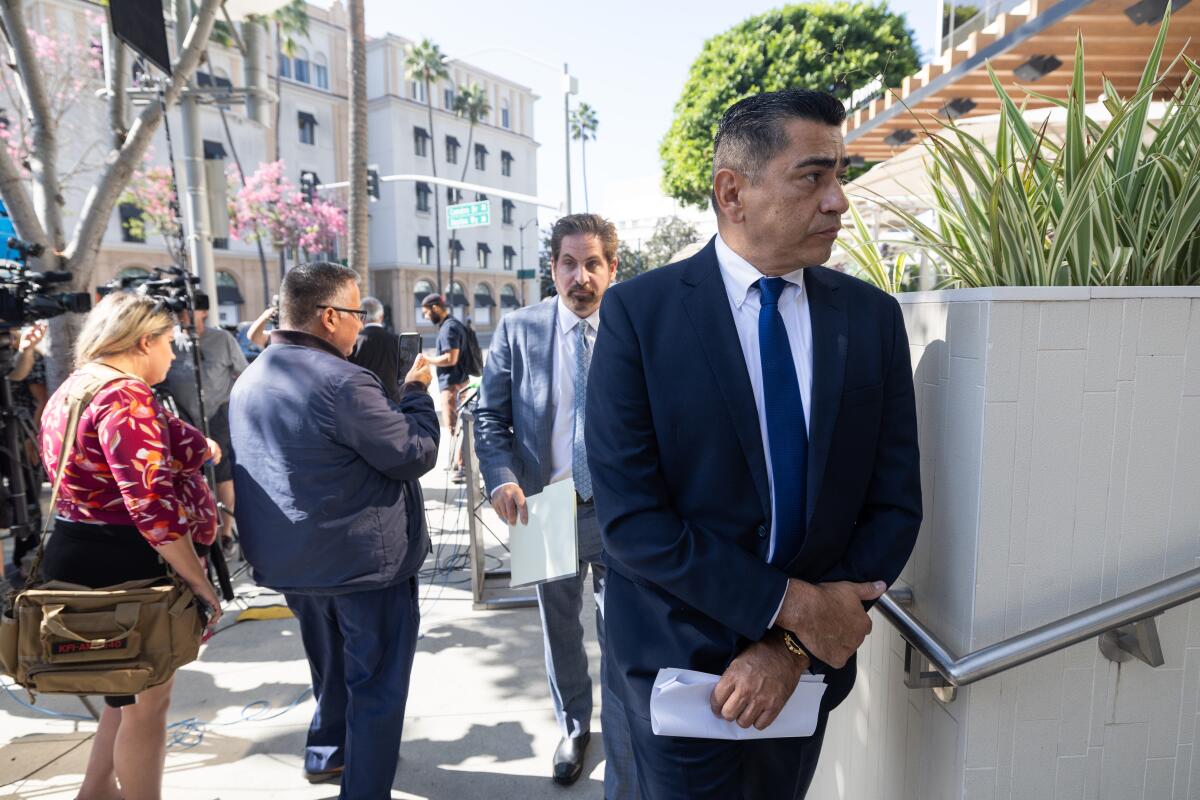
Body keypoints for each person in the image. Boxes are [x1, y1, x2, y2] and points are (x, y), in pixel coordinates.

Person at [586, 89, 923, 799]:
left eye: (840, 176)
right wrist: (793, 609)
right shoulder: (639, 316)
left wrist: (788, 649)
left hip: (803, 678)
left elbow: (893, 506)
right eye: (813, 176)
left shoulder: (870, 321)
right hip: (680, 675)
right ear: (731, 192)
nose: (838, 202)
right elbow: (632, 522)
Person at [230, 261, 439, 797]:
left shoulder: (251, 374)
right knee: (377, 688)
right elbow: (414, 453)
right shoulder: (343, 382)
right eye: (355, 312)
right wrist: (415, 392)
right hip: (363, 567)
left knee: (329, 670)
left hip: (296, 564)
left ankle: (326, 753)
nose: (360, 324)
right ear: (328, 316)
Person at [475, 214, 639, 796]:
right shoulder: (518, 330)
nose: (580, 276)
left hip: (623, 513)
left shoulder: (635, 327)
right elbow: (489, 416)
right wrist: (499, 479)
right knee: (560, 629)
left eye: (593, 262)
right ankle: (574, 727)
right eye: (568, 263)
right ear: (552, 268)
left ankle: (625, 745)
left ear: (612, 268)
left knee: (622, 629)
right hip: (542, 507)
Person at [37, 291, 223, 800]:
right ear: (144, 342)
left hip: (80, 550)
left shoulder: (76, 386)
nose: (173, 354)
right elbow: (153, 512)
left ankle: (96, 792)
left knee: (124, 698)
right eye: (168, 343)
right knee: (148, 704)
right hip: (126, 565)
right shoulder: (126, 397)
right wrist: (200, 583)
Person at [162, 297, 247, 551]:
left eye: (189, 310)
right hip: (182, 416)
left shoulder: (222, 340)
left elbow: (243, 372)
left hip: (218, 414)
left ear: (204, 312)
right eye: (180, 311)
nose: (183, 316)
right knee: (188, 475)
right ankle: (197, 533)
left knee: (223, 474)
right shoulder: (170, 341)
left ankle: (227, 532)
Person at [420, 293, 469, 482]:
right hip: (455, 382)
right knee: (456, 426)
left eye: (426, 312)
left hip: (453, 384)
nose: (425, 317)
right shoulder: (451, 325)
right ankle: (458, 463)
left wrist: (427, 359)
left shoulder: (449, 328)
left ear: (435, 308)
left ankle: (462, 466)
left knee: (455, 426)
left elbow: (451, 358)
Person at [349, 296, 403, 402]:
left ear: (361, 317)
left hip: (363, 400)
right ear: (382, 317)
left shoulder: (354, 341)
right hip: (391, 401)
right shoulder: (397, 340)